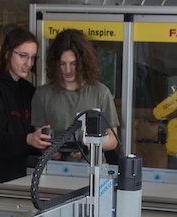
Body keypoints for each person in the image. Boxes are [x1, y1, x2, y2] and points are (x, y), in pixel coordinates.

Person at [0, 27, 51, 182]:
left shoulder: (28, 90)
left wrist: (46, 146)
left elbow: (31, 134)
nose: (28, 63)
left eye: (33, 57)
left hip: (25, 174)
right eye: (23, 56)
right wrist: (28, 139)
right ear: (7, 53)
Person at [31, 28, 120, 159]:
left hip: (91, 172)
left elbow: (113, 140)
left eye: (73, 63)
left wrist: (87, 145)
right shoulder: (42, 95)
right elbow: (39, 138)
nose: (68, 70)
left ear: (84, 62)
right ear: (55, 63)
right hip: (55, 171)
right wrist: (48, 151)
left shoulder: (101, 93)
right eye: (62, 63)